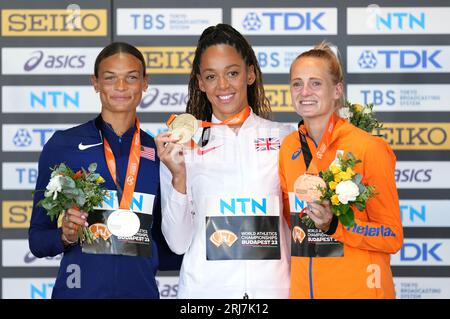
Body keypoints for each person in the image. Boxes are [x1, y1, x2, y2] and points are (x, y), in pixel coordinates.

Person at [29, 42, 181, 298]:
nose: (121, 87)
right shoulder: (63, 145)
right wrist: (65, 236)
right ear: (95, 82)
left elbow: (170, 245)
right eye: (110, 78)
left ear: (145, 82)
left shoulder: (160, 154)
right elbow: (37, 239)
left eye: (131, 77)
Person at [155, 24, 293, 299]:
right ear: (200, 82)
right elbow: (177, 242)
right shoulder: (181, 145)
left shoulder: (285, 137)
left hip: (274, 292)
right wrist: (179, 177)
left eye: (232, 73)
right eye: (211, 76)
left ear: (250, 74)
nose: (223, 86)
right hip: (205, 294)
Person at [278, 42, 403, 298]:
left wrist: (335, 224)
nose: (304, 92)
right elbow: (290, 221)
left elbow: (391, 236)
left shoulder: (368, 147)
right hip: (304, 292)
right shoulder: (288, 147)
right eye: (297, 83)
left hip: (359, 291)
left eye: (315, 83)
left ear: (337, 90)